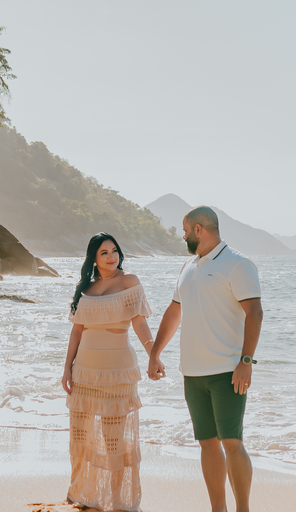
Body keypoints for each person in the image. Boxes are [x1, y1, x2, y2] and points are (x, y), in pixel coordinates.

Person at [147, 206, 263, 512]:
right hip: (193, 374)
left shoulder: (237, 264)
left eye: (185, 230)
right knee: (207, 443)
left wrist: (246, 361)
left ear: (199, 229)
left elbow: (255, 312)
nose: (182, 236)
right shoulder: (188, 267)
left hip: (228, 371)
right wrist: (155, 353)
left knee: (232, 442)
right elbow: (174, 312)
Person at [63, 232, 155, 512]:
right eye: (104, 253)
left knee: (115, 443)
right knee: (79, 439)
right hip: (85, 373)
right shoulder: (86, 289)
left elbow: (139, 323)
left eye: (114, 251)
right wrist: (67, 368)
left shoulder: (130, 282)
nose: (111, 256)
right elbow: (77, 331)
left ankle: (117, 501)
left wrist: (154, 355)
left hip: (118, 372)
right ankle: (81, 493)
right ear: (93, 258)